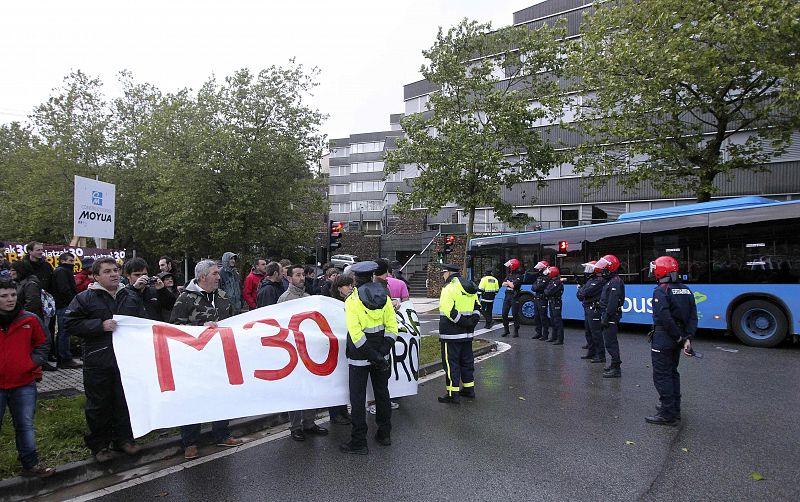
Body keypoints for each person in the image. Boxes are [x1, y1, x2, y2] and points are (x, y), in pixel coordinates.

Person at [64, 257, 140, 462]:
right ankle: (100, 446)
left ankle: (124, 440)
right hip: (98, 360)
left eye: (115, 270)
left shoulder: (130, 296)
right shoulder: (85, 298)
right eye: (107, 271)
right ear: (96, 276)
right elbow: (69, 324)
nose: (114, 274)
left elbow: (144, 321)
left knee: (124, 402)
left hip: (126, 360)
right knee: (99, 404)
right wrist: (99, 325)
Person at [170, 260, 243, 459]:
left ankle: (222, 433)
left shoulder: (222, 296)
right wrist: (202, 328)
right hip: (194, 359)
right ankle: (190, 442)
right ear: (202, 277)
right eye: (214, 274)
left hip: (219, 357)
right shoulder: (185, 299)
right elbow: (175, 328)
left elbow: (232, 321)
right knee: (193, 399)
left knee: (220, 396)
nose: (219, 277)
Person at [0, 277, 55, 478]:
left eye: (13, 295)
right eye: (4, 296)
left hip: (23, 383)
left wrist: (31, 363)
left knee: (25, 425)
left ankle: (30, 465)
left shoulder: (29, 319)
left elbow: (43, 342)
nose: (10, 299)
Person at [340, 261, 396, 454]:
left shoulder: (351, 300)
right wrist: (380, 355)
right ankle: (384, 434)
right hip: (381, 353)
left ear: (355, 278)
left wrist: (372, 356)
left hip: (359, 357)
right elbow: (392, 328)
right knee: (382, 394)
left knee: (357, 399)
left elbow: (356, 335)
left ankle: (359, 442)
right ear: (372, 276)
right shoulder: (385, 297)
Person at [277, 264, 329, 441]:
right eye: (297, 275)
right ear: (289, 279)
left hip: (309, 351)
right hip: (293, 351)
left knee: (310, 388)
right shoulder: (285, 299)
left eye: (302, 274)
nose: (302, 278)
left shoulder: (308, 297)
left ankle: (309, 422)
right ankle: (295, 426)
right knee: (296, 390)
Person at [646, 256, 698, 426]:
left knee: (662, 375)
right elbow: (692, 317)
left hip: (664, 338)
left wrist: (678, 337)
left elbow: (665, 318)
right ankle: (674, 409)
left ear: (661, 271)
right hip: (679, 338)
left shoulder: (661, 290)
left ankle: (667, 413)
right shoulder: (686, 289)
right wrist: (686, 339)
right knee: (673, 373)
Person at [437, 263, 481, 404]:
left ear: (449, 273)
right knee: (467, 362)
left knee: (451, 364)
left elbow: (449, 311)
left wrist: (462, 322)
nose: (443, 275)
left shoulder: (448, 288)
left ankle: (452, 394)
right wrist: (470, 322)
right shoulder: (470, 286)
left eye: (443, 272)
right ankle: (469, 389)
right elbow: (477, 307)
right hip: (467, 335)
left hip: (451, 335)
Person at [10, 261, 57, 372]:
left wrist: (21, 316)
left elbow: (32, 303)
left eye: (13, 270)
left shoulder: (30, 283)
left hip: (30, 318)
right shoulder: (20, 282)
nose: (10, 272)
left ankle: (40, 364)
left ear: (20, 271)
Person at [328, 273, 355, 426]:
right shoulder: (333, 304)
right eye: (348, 286)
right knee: (336, 381)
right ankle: (335, 413)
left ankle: (343, 411)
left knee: (344, 381)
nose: (351, 288)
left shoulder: (350, 302)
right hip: (335, 348)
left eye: (352, 285)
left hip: (346, 347)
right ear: (339, 288)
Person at [595, 254, 625, 378]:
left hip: (611, 316)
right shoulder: (611, 281)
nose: (603, 270)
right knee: (609, 341)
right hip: (608, 314)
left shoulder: (615, 282)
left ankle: (616, 368)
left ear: (611, 268)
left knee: (611, 342)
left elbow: (612, 303)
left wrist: (606, 318)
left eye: (605, 268)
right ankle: (613, 364)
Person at [52, 252, 82, 368]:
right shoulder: (62, 272)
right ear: (62, 261)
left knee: (65, 332)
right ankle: (64, 358)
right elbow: (64, 289)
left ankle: (64, 357)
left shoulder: (63, 271)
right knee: (64, 332)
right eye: (70, 261)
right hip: (64, 305)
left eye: (73, 261)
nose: (72, 263)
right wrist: (73, 302)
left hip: (64, 304)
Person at [576, 261, 607, 361]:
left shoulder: (599, 281)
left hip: (594, 309)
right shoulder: (591, 280)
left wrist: (581, 290)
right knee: (588, 332)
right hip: (587, 307)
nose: (587, 271)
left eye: (589, 269)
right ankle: (592, 352)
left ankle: (600, 355)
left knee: (596, 333)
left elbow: (585, 292)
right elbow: (580, 295)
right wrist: (582, 291)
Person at [500, 258, 524, 338]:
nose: (509, 267)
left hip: (514, 296)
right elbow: (503, 284)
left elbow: (513, 286)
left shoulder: (519, 276)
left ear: (513, 266)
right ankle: (506, 330)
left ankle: (516, 331)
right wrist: (509, 283)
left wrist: (510, 283)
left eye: (510, 266)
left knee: (515, 314)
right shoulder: (509, 275)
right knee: (504, 313)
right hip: (507, 296)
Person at [543, 266, 564, 345]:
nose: (548, 274)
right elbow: (546, 290)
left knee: (557, 320)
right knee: (553, 320)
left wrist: (546, 291)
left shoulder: (557, 282)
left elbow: (548, 292)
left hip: (556, 302)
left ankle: (560, 339)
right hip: (552, 302)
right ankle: (554, 337)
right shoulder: (553, 281)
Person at [531, 260, 551, 341]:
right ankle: (538, 333)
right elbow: (533, 287)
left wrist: (537, 287)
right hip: (536, 298)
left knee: (543, 317)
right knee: (536, 317)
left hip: (542, 299)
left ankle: (545, 334)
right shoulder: (539, 277)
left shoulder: (547, 277)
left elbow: (539, 287)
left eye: (540, 268)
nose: (539, 269)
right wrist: (537, 287)